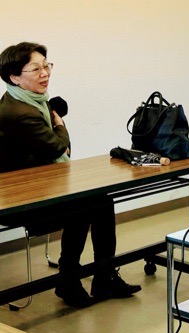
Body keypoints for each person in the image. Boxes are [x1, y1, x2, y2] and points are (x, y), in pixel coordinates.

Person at [0, 42, 141, 308]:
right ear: (14, 77)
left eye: (46, 66)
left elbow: (59, 148)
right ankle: (69, 279)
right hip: (20, 199)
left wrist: (57, 131)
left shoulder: (33, 101)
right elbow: (57, 146)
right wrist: (60, 124)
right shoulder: (18, 113)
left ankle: (103, 276)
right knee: (84, 206)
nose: (45, 73)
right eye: (36, 69)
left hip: (41, 184)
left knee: (101, 200)